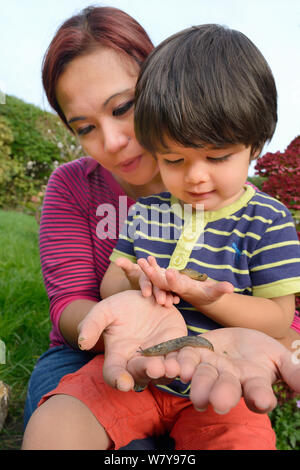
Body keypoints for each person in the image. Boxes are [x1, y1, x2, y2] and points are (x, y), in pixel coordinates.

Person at [22, 16, 300, 450]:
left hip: (217, 371)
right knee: (69, 425)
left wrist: (206, 306)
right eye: (85, 127)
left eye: (121, 107)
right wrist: (134, 284)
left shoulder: (264, 217)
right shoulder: (143, 211)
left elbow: (282, 317)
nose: (112, 140)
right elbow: (86, 292)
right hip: (113, 357)